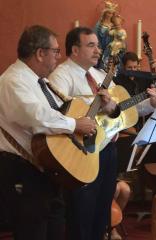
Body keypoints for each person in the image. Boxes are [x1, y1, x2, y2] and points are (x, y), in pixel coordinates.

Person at [48, 27, 156, 240]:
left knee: (102, 212)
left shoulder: (100, 75)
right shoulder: (61, 76)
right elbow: (55, 114)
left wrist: (151, 104)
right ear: (74, 49)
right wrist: (96, 106)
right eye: (91, 45)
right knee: (82, 213)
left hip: (108, 149)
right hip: (82, 152)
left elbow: (122, 111)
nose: (98, 50)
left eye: (98, 46)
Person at [0, 25, 96, 240]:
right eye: (55, 51)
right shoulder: (13, 80)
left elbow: (64, 109)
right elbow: (37, 116)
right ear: (40, 53)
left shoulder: (40, 81)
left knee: (53, 227)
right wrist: (74, 125)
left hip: (45, 168)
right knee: (32, 231)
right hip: (21, 169)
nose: (58, 57)